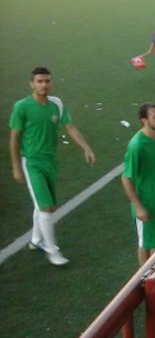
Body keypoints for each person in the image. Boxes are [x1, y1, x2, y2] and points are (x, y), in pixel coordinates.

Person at [9, 67, 96, 266]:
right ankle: (52, 251)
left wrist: (86, 148)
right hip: (32, 163)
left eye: (47, 81)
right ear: (32, 84)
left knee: (44, 205)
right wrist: (16, 166)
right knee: (46, 209)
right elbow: (14, 138)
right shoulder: (22, 107)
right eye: (39, 81)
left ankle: (36, 240)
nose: (44, 85)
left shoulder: (56, 104)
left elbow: (70, 127)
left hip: (50, 162)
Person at [121, 103, 155, 265]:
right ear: (144, 120)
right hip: (148, 204)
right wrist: (138, 206)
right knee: (147, 244)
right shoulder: (137, 145)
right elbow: (126, 178)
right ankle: (144, 278)